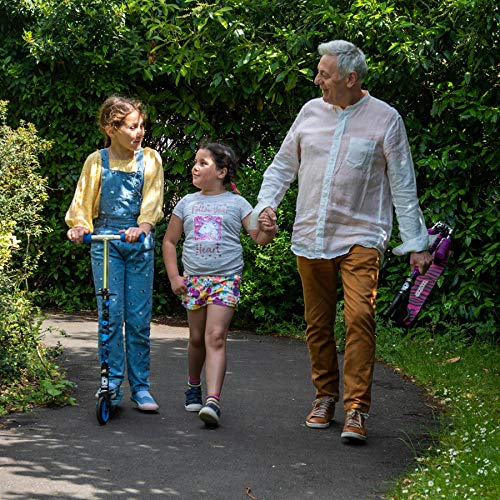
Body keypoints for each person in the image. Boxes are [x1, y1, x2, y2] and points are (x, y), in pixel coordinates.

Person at [252, 40, 432, 441]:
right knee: (317, 324)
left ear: (351, 79)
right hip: (310, 233)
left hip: (362, 235)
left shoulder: (386, 119)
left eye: (324, 74)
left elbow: (403, 183)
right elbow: (283, 165)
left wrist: (416, 241)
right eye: (318, 72)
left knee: (359, 318)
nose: (317, 80)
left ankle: (356, 409)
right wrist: (266, 204)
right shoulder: (310, 112)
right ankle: (325, 396)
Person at [162, 142, 277, 427]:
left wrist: (269, 230)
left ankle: (213, 400)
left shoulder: (238, 204)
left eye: (203, 163)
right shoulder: (186, 202)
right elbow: (169, 241)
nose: (195, 167)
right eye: (195, 162)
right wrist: (175, 276)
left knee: (215, 337)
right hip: (193, 281)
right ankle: (193, 385)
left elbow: (258, 238)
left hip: (225, 279)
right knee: (196, 339)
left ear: (222, 172)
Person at [66, 95, 164, 412]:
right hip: (106, 240)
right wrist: (79, 227)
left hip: (138, 241)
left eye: (141, 126)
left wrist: (143, 226)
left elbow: (152, 200)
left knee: (137, 318)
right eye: (132, 127)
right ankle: (110, 384)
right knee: (110, 314)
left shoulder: (150, 159)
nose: (139, 133)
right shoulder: (97, 161)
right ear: (111, 128)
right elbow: (83, 203)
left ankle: (141, 387)